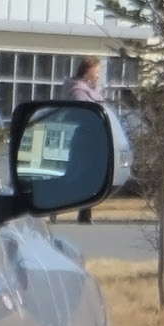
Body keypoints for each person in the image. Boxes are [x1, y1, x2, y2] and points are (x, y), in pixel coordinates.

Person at [60, 56, 102, 223]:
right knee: (83, 175)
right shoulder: (78, 91)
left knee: (87, 176)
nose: (98, 75)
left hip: (92, 138)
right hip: (84, 139)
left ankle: (85, 210)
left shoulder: (89, 89)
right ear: (87, 70)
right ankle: (81, 210)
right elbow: (83, 114)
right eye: (96, 71)